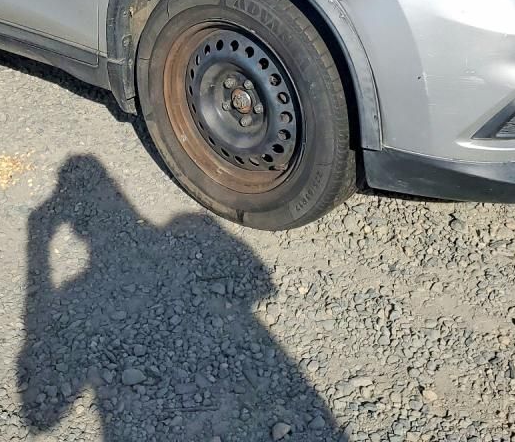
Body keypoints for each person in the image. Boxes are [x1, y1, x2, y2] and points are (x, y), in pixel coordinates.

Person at [18, 155, 338, 440]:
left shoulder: (77, 296)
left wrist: (37, 239)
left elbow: (41, 417)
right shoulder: (187, 227)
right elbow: (261, 285)